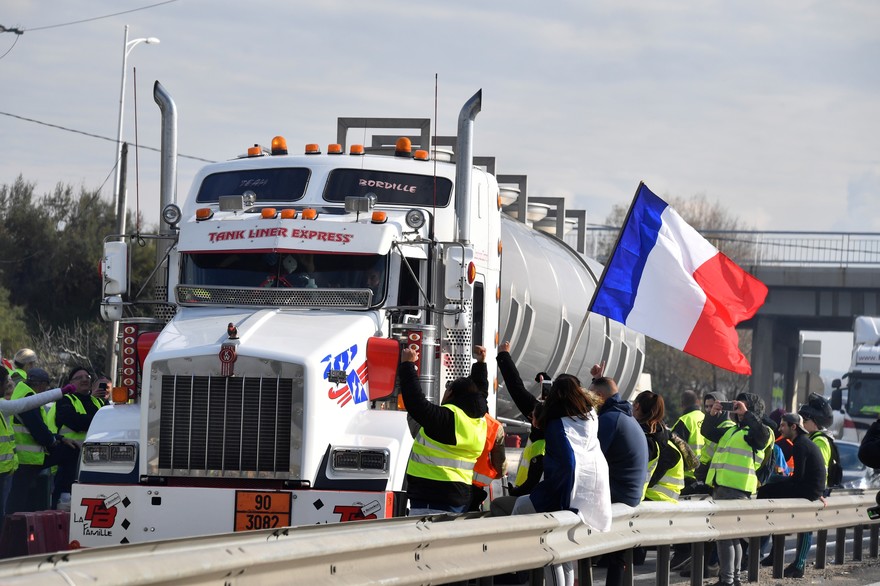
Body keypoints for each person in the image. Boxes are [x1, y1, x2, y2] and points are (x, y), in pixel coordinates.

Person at [498, 371, 612, 586]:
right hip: (590, 489)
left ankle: (513, 565)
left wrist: (556, 495)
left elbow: (568, 463)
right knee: (564, 552)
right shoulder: (589, 416)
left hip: (566, 490)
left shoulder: (558, 426)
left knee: (548, 545)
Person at [399, 345, 488, 515]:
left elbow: (416, 404)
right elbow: (481, 393)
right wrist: (480, 364)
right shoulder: (478, 420)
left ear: (451, 393)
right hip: (458, 497)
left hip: (431, 497)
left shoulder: (448, 420)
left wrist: (408, 366)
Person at [702, 392, 771, 586]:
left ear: (752, 410)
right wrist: (712, 415)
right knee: (732, 537)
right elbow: (707, 432)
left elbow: (762, 436)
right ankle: (734, 579)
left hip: (736, 488)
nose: (738, 409)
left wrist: (747, 414)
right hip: (724, 486)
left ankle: (728, 580)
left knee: (725, 536)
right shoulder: (734, 431)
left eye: (744, 406)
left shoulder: (757, 431)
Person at [589, 369, 649, 586]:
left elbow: (591, 458)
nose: (589, 401)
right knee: (617, 557)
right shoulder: (624, 416)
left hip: (620, 494)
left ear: (601, 397)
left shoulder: (610, 420)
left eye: (591, 396)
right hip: (631, 494)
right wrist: (597, 379)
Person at [757, 413, 826, 578]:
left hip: (808, 491)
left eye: (783, 426)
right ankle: (774, 550)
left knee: (767, 488)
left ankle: (761, 528)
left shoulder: (800, 445)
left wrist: (777, 479)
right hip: (811, 489)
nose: (780, 429)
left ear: (793, 427)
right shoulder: (802, 442)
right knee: (770, 487)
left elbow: (798, 477)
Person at [0, 367, 67, 526]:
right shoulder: (4, 405)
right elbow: (28, 404)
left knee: (6, 510)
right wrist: (62, 391)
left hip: (7, 469)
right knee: (8, 511)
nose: (9, 385)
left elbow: (28, 403)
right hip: (9, 468)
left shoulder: (4, 405)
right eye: (5, 382)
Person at [7, 368, 80, 513]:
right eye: (46, 386)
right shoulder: (28, 398)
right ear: (40, 384)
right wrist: (53, 442)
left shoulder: (22, 392)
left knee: (19, 499)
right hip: (27, 458)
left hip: (22, 457)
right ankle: (63, 498)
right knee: (71, 451)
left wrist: (59, 438)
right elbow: (38, 430)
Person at [781, 393, 836, 578]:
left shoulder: (820, 440)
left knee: (806, 529)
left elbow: (820, 470)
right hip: (811, 491)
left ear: (814, 421)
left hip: (815, 492)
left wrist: (818, 491)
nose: (802, 422)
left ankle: (800, 563)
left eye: (806, 419)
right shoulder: (813, 439)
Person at [494, 342, 547, 500]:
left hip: (530, 496)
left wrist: (504, 356)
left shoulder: (541, 435)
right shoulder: (574, 423)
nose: (531, 417)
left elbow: (516, 389)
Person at [669, 389, 704, 570]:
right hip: (706, 476)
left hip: (688, 476)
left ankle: (683, 552)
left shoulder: (684, 421)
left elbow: (675, 449)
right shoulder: (707, 418)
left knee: (681, 518)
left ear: (683, 404)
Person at [633, 391, 684, 503]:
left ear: (636, 406)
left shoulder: (649, 440)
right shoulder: (663, 437)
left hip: (654, 502)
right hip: (662, 505)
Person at [49, 366, 106, 443]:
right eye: (79, 378)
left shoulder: (99, 401)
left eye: (87, 377)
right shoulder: (64, 400)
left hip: (97, 450)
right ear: (71, 383)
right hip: (70, 450)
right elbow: (75, 421)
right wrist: (100, 421)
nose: (84, 379)